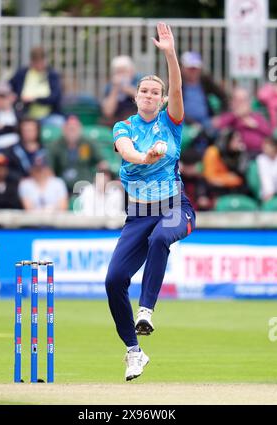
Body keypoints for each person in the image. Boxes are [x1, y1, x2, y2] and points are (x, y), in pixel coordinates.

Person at [105, 23, 196, 381]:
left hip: (175, 207)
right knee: (113, 281)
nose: (148, 95)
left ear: (160, 99)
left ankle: (147, 311)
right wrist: (145, 158)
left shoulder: (171, 123)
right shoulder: (123, 127)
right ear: (136, 96)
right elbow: (126, 151)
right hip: (139, 214)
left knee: (162, 237)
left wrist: (170, 54)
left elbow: (176, 86)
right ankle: (134, 352)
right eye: (143, 90)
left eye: (154, 92)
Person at [9, 46, 64, 127]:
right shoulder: (22, 73)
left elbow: (55, 97)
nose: (38, 65)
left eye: (41, 62)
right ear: (31, 61)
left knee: (59, 123)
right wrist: (16, 97)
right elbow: (9, 87)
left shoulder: (52, 75)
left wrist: (35, 100)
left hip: (49, 115)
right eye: (36, 62)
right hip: (26, 116)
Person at [47, 115, 103, 192]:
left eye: (74, 129)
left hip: (85, 183)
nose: (72, 132)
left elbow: (101, 162)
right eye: (69, 129)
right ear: (64, 129)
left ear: (80, 129)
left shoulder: (87, 143)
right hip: (63, 185)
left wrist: (100, 178)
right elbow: (49, 169)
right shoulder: (56, 145)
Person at [212, 87, 271, 158]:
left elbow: (269, 133)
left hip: (261, 154)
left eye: (244, 100)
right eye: (238, 100)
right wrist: (236, 115)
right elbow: (217, 125)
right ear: (232, 102)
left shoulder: (256, 117)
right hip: (237, 156)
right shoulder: (231, 117)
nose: (241, 104)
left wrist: (256, 126)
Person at [102, 55, 141, 127]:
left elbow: (143, 100)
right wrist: (115, 90)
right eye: (118, 72)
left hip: (136, 119)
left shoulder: (139, 81)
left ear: (132, 71)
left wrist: (127, 89)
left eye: (123, 71)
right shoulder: (111, 85)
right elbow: (108, 112)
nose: (121, 75)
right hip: (117, 121)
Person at [256, 134, 277, 202]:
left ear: (275, 147)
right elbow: (265, 177)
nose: (264, 149)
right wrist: (269, 193)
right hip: (268, 194)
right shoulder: (261, 159)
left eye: (267, 147)